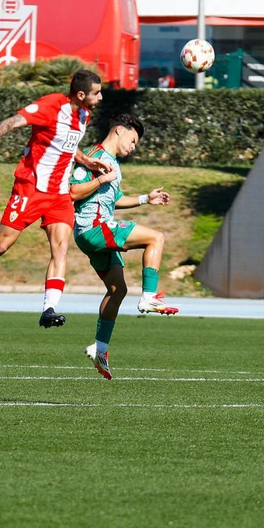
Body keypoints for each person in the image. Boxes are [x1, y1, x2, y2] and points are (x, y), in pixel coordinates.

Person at [0, 69, 111, 329]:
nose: (100, 97)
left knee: (61, 248)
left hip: (59, 195)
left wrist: (86, 160)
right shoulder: (52, 105)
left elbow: (65, 144)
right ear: (80, 94)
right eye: (96, 93)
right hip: (30, 188)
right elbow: (17, 120)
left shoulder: (83, 115)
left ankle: (49, 309)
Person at [69, 113, 179, 380]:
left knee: (118, 290)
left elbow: (114, 199)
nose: (133, 147)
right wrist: (99, 180)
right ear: (119, 131)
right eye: (132, 140)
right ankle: (149, 298)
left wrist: (145, 199)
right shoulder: (93, 156)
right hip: (93, 228)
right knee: (156, 238)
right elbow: (73, 192)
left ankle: (100, 348)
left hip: (96, 231)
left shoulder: (114, 164)